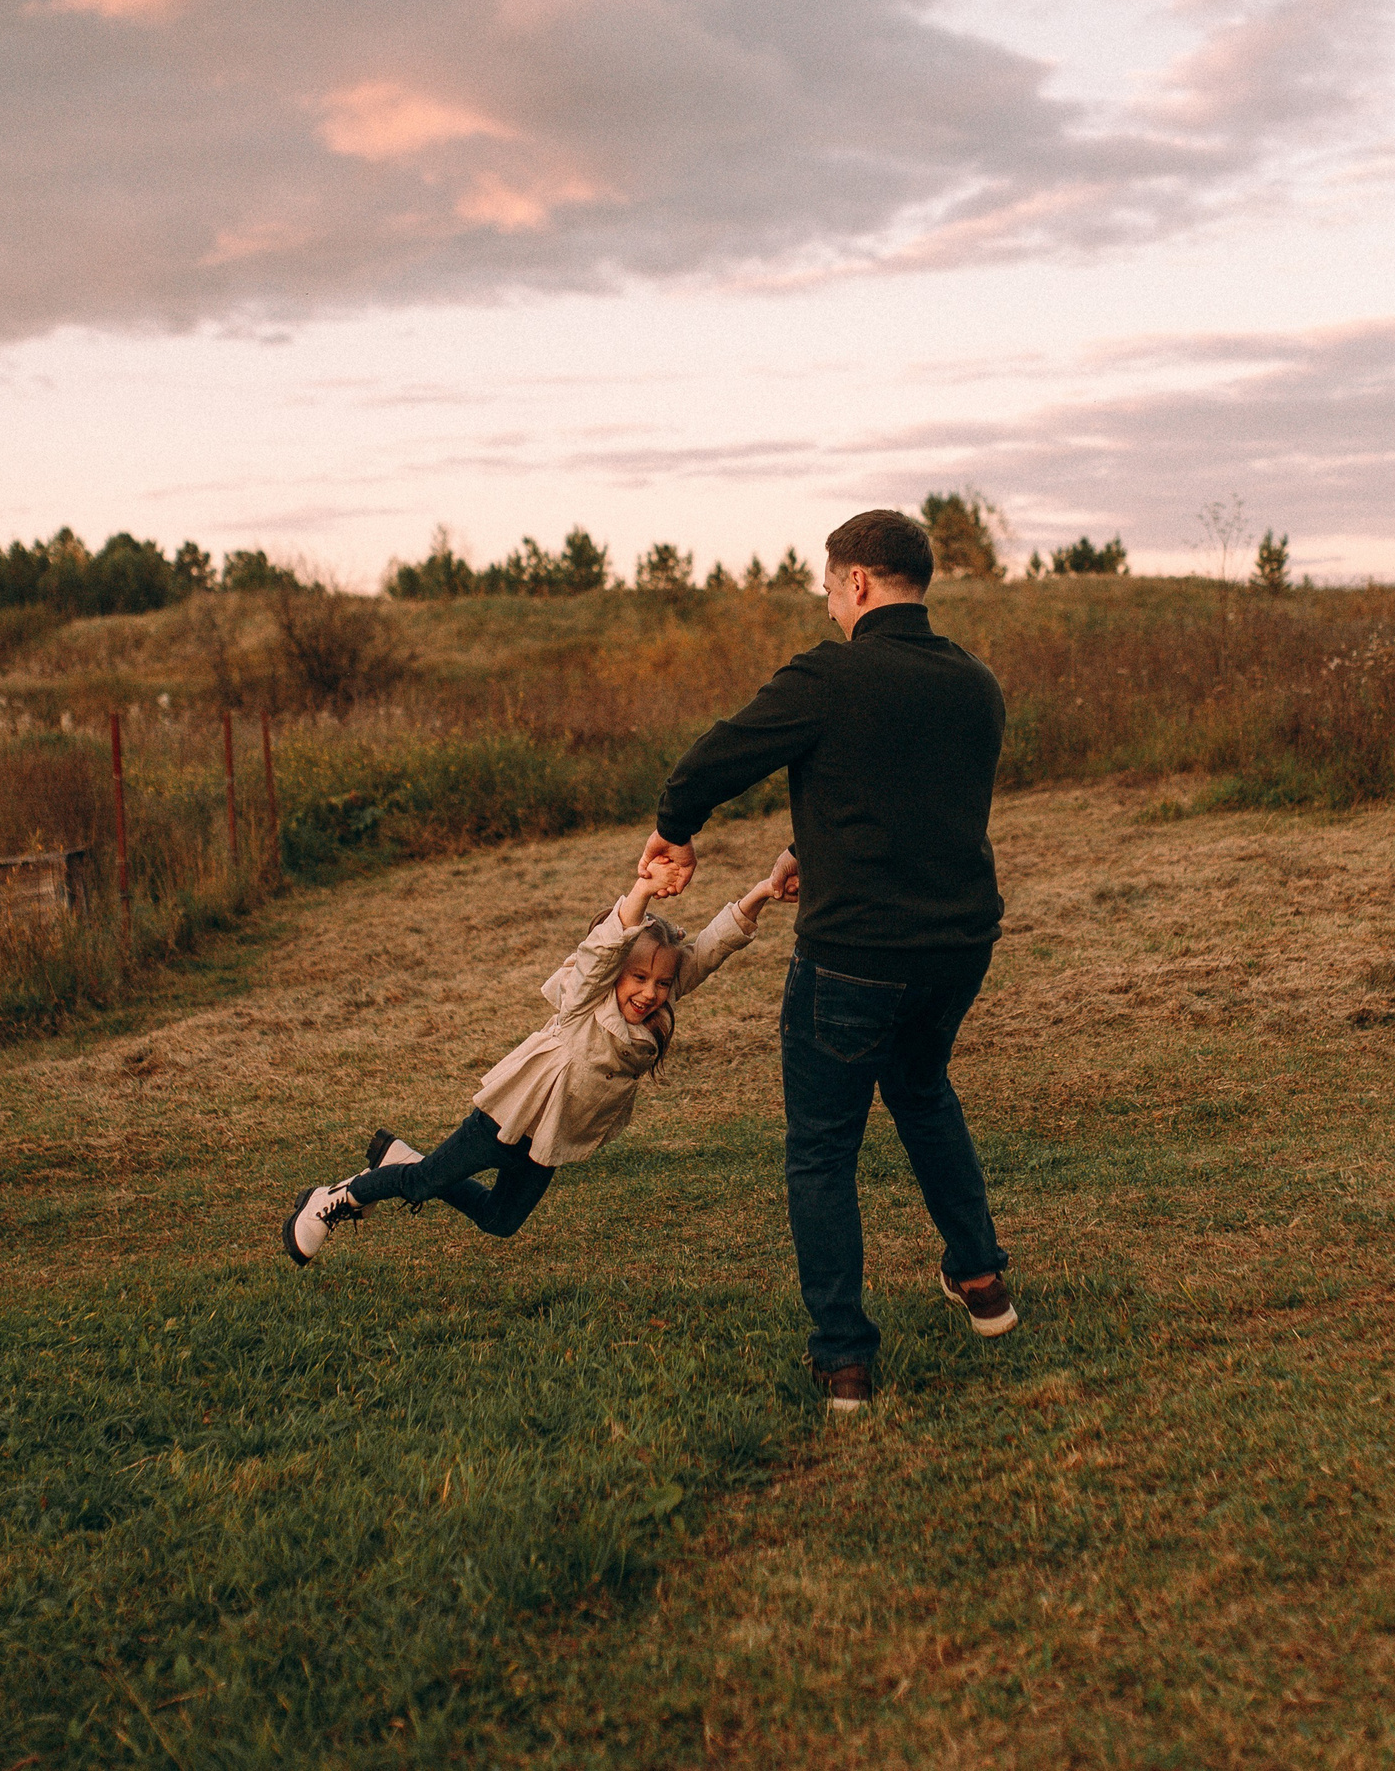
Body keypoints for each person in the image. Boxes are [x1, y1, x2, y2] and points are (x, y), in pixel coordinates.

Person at [639, 508, 1012, 1413]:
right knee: (923, 1095)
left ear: (857, 583)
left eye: (828, 585)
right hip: (958, 948)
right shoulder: (977, 681)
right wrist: (826, 847)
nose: (827, 603)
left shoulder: (831, 674)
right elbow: (920, 801)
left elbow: (718, 757)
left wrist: (672, 832)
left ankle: (844, 1360)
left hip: (853, 956)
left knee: (820, 1150)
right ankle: (983, 1286)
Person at [282, 850, 793, 1263]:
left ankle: (404, 1158)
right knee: (420, 1183)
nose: (650, 993)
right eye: (638, 979)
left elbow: (708, 950)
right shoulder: (587, 997)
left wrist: (763, 893)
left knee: (500, 1221)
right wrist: (643, 889)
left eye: (661, 984)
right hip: (509, 1116)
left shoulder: (660, 1001)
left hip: (551, 1135)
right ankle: (330, 1202)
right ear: (616, 974)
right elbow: (601, 952)